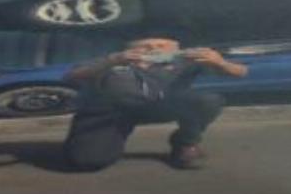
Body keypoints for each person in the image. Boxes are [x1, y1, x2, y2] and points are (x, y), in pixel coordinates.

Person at [63, 37, 246, 171]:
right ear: (129, 47)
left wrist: (220, 62)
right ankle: (88, 143)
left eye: (161, 45)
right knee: (89, 161)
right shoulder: (113, 59)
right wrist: (112, 62)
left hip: (158, 106)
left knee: (208, 100)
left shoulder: (186, 60)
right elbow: (71, 77)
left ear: (176, 47)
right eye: (144, 45)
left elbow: (241, 72)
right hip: (109, 113)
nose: (153, 48)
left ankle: (185, 144)